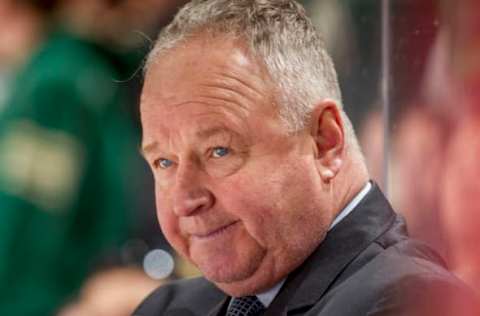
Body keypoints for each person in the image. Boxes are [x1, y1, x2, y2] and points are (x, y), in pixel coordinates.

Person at [135, 0, 479, 315]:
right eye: (164, 162)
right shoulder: (166, 308)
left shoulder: (411, 300)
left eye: (219, 151)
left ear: (324, 142)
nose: (185, 200)